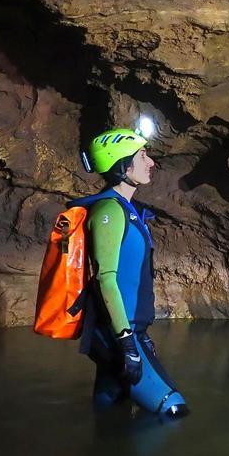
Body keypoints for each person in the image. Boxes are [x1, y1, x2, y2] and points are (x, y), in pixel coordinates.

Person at [67, 120, 188, 419]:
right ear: (122, 164)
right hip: (117, 333)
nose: (151, 162)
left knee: (111, 409)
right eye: (143, 156)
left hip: (124, 332)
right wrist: (127, 343)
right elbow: (106, 280)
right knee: (170, 410)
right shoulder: (109, 211)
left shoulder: (126, 209)